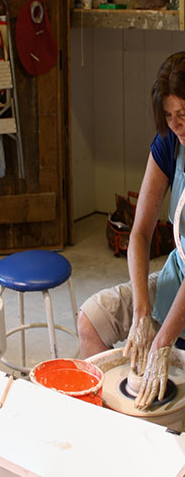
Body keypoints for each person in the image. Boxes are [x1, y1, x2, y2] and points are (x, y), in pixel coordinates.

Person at [79, 52, 185, 409]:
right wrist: (142, 314)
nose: (176, 126)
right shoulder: (170, 143)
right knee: (91, 321)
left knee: (163, 368)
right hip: (176, 278)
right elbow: (139, 233)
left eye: (183, 115)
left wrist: (162, 340)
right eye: (169, 117)